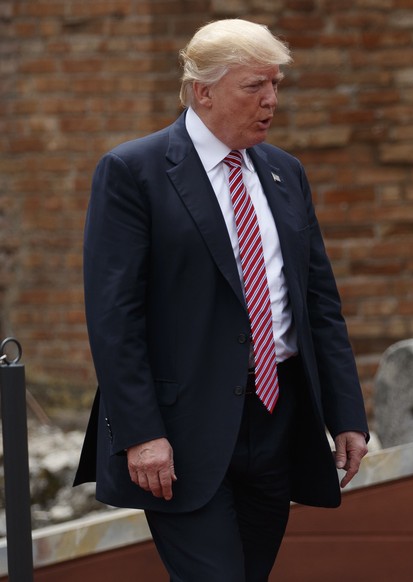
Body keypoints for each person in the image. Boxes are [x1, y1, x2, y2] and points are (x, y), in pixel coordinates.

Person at [74, 19, 369, 581]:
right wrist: (141, 434)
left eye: (276, 85)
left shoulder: (285, 172)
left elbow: (318, 303)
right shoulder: (132, 172)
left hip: (277, 419)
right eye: (254, 86)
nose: (271, 101)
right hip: (180, 435)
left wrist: (346, 415)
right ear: (202, 91)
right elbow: (114, 316)